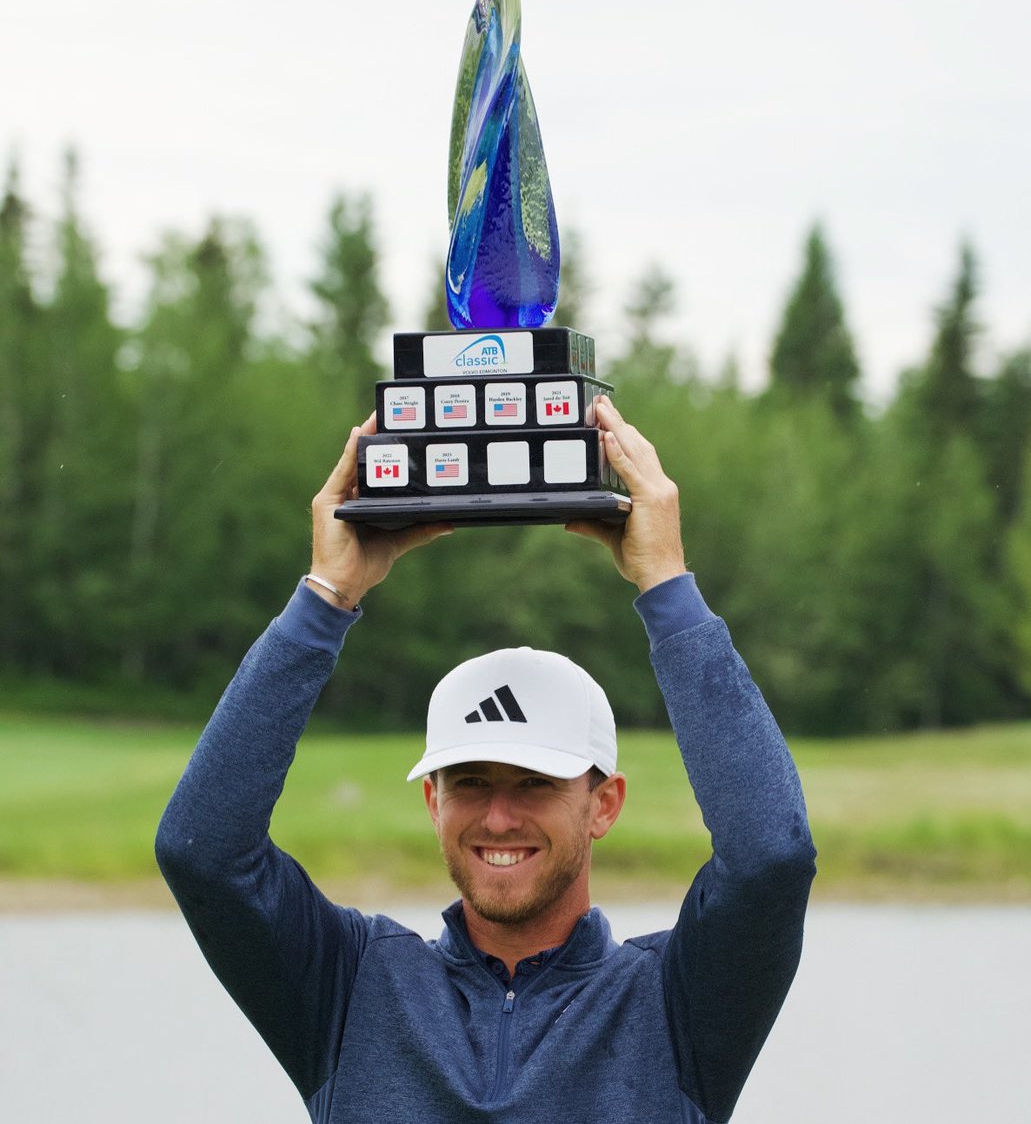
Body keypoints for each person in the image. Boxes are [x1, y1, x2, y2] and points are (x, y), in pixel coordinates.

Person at [156, 397, 816, 1124]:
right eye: (471, 783)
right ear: (433, 801)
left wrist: (665, 583)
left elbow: (769, 859)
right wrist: (327, 595)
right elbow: (203, 853)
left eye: (535, 783)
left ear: (604, 804)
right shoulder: (349, 987)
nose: (499, 817)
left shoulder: (676, 1003)